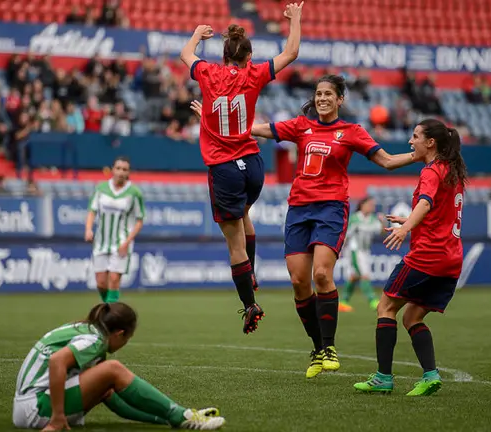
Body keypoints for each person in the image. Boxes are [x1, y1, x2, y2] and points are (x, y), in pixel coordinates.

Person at [192, 74, 421, 378]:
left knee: (322, 274)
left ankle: (330, 346)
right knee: (299, 281)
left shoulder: (351, 131)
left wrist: (420, 155)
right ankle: (317, 349)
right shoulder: (301, 125)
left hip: (331, 208)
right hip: (299, 209)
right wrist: (212, 119)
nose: (322, 98)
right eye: (318, 94)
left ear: (340, 99)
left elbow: (388, 161)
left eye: (329, 94)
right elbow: (251, 130)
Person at [179, 2, 304, 334]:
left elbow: (185, 55)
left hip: (225, 168)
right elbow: (291, 52)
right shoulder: (256, 73)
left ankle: (249, 303)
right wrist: (295, 19)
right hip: (253, 165)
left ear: (223, 58)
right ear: (248, 58)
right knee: (244, 214)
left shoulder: (208, 72)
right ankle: (252, 274)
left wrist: (195, 35)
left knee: (233, 242)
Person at [353, 118, 467, 396]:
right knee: (412, 318)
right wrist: (410, 220)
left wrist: (405, 228)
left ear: (431, 143)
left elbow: (426, 203)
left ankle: (382, 377)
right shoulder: (452, 171)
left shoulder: (431, 171)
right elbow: (439, 212)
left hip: (427, 256)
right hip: (451, 260)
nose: (410, 141)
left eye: (415, 136)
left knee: (386, 308)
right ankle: (430, 375)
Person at [12, 302, 226, 430]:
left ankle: (179, 417)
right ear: (120, 334)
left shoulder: (87, 331)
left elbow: (115, 400)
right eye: (127, 338)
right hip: (35, 407)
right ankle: (181, 415)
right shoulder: (94, 340)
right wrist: (58, 417)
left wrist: (167, 419)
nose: (125, 344)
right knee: (113, 369)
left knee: (108, 381)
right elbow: (56, 361)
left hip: (29, 407)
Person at [85, 157, 145, 304]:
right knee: (100, 283)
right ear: (112, 169)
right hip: (101, 241)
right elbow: (92, 210)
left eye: (124, 169)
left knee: (113, 279)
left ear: (128, 172)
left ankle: (110, 316)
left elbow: (139, 220)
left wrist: (127, 242)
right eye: (118, 168)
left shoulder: (134, 192)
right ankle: (108, 308)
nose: (121, 172)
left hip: (121, 242)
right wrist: (88, 229)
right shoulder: (101, 188)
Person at [339, 196, 384, 313]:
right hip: (354, 250)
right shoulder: (355, 219)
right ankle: (373, 301)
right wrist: (340, 250)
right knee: (364, 275)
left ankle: (343, 302)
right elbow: (346, 236)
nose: (372, 207)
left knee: (354, 277)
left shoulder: (373, 219)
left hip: (365, 251)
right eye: (370, 204)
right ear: (362, 205)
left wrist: (382, 221)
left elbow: (382, 231)